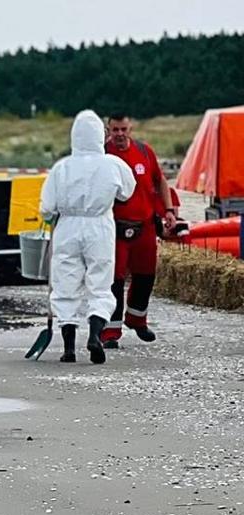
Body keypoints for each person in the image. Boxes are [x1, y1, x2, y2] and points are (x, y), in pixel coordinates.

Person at [39, 111, 136, 365]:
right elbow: (127, 192)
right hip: (99, 226)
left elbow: (47, 208)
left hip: (68, 227)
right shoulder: (113, 164)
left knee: (65, 284)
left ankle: (69, 349)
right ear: (99, 136)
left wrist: (53, 214)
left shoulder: (61, 167)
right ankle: (95, 335)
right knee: (100, 283)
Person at [102, 113, 182, 347]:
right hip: (115, 228)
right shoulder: (103, 155)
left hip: (145, 226)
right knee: (114, 281)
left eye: (123, 129)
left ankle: (137, 319)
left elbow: (160, 181)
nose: (119, 134)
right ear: (108, 130)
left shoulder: (144, 151)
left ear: (131, 128)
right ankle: (110, 331)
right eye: (115, 130)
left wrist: (168, 210)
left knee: (146, 276)